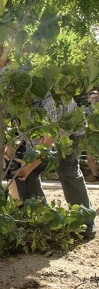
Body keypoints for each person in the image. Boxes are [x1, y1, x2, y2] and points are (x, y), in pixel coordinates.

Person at [14, 93, 95, 239]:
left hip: (70, 134)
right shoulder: (13, 101)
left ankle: (84, 223)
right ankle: (39, 216)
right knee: (26, 171)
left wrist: (29, 166)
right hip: (40, 137)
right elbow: (18, 133)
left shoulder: (50, 99)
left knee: (67, 170)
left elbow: (49, 139)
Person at [86, 89, 99, 182]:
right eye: (93, 98)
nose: (95, 99)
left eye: (97, 97)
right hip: (91, 136)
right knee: (90, 157)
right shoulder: (86, 110)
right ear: (89, 99)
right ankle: (95, 176)